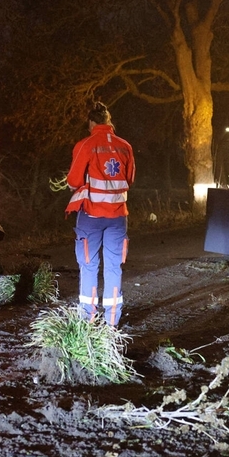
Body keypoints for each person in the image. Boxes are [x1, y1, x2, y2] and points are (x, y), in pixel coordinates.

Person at [65, 101, 136, 326]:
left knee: (89, 265)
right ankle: (112, 321)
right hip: (117, 216)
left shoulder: (86, 144)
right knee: (114, 266)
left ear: (92, 123)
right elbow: (130, 179)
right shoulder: (125, 146)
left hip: (91, 215)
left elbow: (74, 180)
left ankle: (88, 319)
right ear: (108, 121)